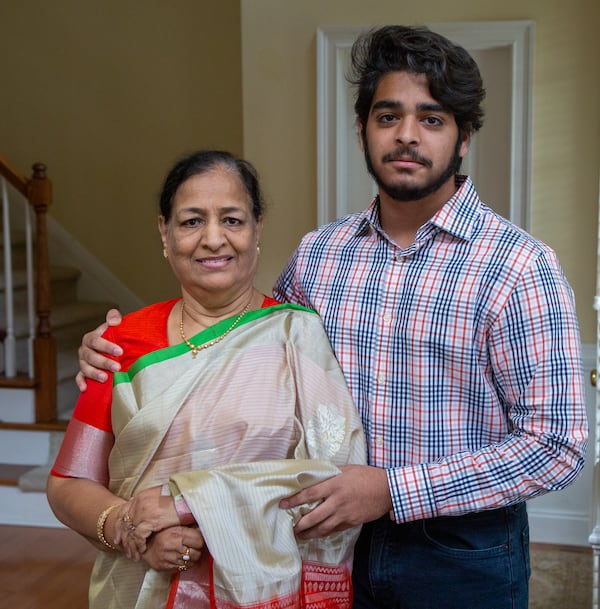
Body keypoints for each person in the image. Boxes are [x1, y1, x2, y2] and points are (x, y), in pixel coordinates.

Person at [75, 26, 588, 609]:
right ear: (364, 129)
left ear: (464, 136)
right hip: (323, 544)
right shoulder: (321, 255)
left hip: (460, 555)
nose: (407, 136)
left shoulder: (519, 266)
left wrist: (392, 491)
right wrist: (117, 352)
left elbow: (556, 447)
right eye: (387, 116)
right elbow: (239, 352)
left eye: (433, 119)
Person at [47, 149, 366, 609]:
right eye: (192, 221)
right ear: (165, 232)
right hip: (143, 589)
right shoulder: (120, 343)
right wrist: (131, 528)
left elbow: (336, 479)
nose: (213, 239)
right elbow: (67, 484)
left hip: (268, 591)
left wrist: (189, 506)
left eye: (232, 220)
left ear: (257, 230)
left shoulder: (297, 336)